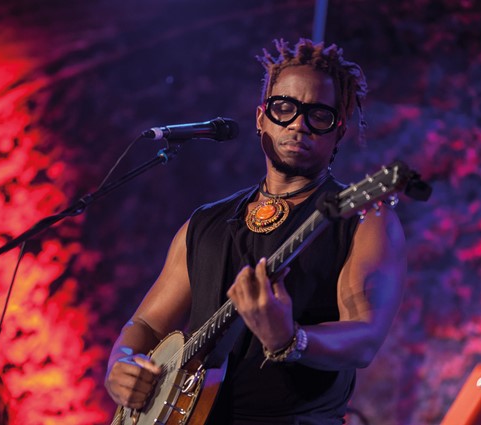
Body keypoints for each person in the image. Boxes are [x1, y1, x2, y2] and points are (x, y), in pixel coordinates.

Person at [104, 38, 406, 424]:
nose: (299, 124)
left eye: (319, 116)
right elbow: (145, 324)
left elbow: (364, 339)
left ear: (338, 132)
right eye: (285, 108)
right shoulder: (204, 224)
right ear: (261, 117)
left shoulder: (364, 218)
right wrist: (121, 363)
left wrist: (292, 339)